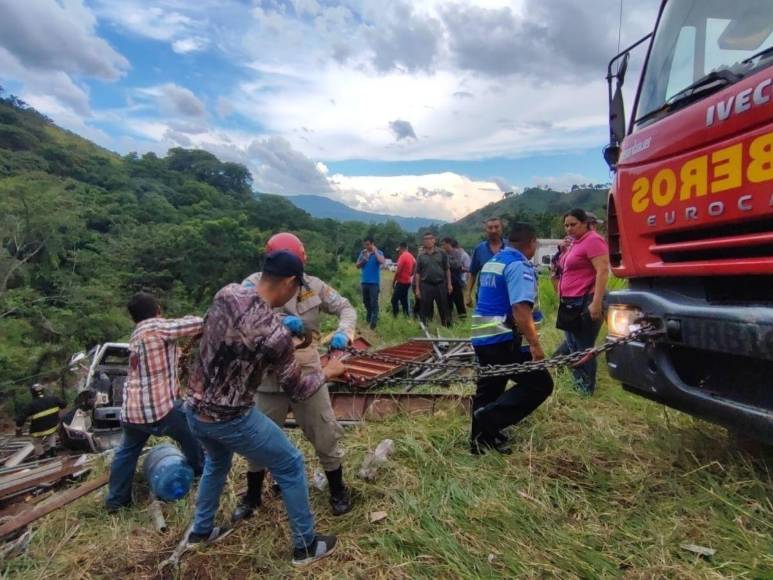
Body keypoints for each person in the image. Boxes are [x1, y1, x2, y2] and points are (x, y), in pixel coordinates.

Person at [184, 251, 346, 566]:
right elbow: (298, 388)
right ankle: (305, 546)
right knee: (290, 463)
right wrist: (328, 372)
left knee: (217, 463)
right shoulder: (275, 335)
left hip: (194, 409)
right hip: (230, 417)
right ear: (288, 282)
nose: (295, 294)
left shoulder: (227, 293)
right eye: (295, 288)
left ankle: (200, 532)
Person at [235, 233, 356, 520]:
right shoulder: (251, 285)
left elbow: (345, 307)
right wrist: (279, 321)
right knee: (258, 437)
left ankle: (337, 489)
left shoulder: (313, 286)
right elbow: (242, 316)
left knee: (324, 429)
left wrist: (343, 331)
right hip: (266, 375)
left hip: (306, 367)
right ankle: (252, 495)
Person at [105, 292, 204, 512]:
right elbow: (199, 323)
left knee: (126, 453)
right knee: (192, 429)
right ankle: (200, 474)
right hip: (161, 410)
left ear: (133, 318)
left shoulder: (136, 337)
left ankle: (116, 501)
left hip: (131, 413)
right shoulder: (159, 328)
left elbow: (164, 357)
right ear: (158, 310)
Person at [469, 222, 553, 455]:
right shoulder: (518, 265)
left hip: (483, 336)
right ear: (532, 243)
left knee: (490, 389)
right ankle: (490, 418)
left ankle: (480, 441)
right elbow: (520, 309)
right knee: (541, 384)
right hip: (504, 338)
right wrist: (535, 345)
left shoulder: (492, 262)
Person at [556, 208, 610, 395]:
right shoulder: (575, 243)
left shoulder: (593, 240)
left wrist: (596, 302)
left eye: (573, 224)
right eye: (566, 225)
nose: (569, 228)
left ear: (585, 223)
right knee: (572, 346)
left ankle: (585, 389)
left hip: (585, 300)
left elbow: (602, 271)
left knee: (583, 347)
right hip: (570, 301)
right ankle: (578, 383)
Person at [15, 383, 66, 457]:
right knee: (51, 434)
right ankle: (53, 450)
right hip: (53, 426)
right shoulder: (54, 399)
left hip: (38, 430)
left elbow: (20, 419)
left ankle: (42, 455)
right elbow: (64, 404)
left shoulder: (31, 405)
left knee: (36, 442)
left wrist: (18, 428)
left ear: (32, 393)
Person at [415, 231, 452, 327]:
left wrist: (449, 284)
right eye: (425, 239)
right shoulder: (420, 256)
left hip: (440, 284)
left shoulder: (442, 253)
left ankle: (447, 328)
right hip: (426, 285)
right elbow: (418, 273)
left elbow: (447, 269)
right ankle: (425, 329)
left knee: (444, 307)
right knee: (425, 309)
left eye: (430, 239)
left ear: (434, 240)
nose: (427, 241)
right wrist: (417, 289)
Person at [467, 217, 504, 307]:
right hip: (484, 299)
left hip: (506, 297)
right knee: (485, 321)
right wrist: (468, 295)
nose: (493, 230)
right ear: (485, 230)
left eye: (496, 227)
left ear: (501, 228)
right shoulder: (479, 249)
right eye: (490, 228)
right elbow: (473, 274)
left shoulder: (510, 248)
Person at [356, 237, 385, 329]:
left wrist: (375, 252)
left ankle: (373, 323)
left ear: (372, 244)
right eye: (365, 244)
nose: (366, 246)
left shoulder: (379, 252)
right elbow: (357, 265)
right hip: (364, 282)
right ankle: (368, 319)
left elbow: (382, 261)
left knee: (374, 303)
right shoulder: (363, 253)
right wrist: (364, 259)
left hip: (374, 283)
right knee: (366, 302)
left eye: (368, 244)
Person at [442, 237, 467, 320]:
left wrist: (446, 262)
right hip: (446, 282)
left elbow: (457, 265)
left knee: (459, 302)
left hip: (456, 282)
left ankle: (463, 319)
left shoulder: (457, 253)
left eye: (444, 244)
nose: (443, 246)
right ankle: (449, 321)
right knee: (448, 303)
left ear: (448, 244)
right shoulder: (444, 254)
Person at [391, 242, 415, 317]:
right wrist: (411, 274)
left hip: (401, 282)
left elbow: (398, 271)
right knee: (403, 300)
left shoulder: (402, 256)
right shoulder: (411, 256)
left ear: (402, 248)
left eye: (399, 250)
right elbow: (415, 264)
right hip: (408, 282)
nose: (399, 252)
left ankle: (395, 316)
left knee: (394, 300)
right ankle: (406, 316)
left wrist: (394, 281)